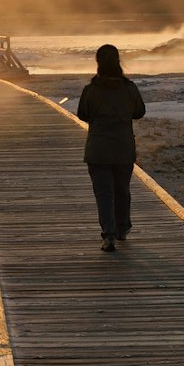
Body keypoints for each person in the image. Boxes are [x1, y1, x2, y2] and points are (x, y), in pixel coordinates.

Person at [78, 43, 146, 253]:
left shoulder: (91, 90)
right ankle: (122, 228)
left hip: (98, 149)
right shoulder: (129, 88)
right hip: (123, 148)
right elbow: (139, 112)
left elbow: (82, 114)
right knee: (122, 191)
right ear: (118, 62)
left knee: (104, 193)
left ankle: (108, 234)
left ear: (98, 63)